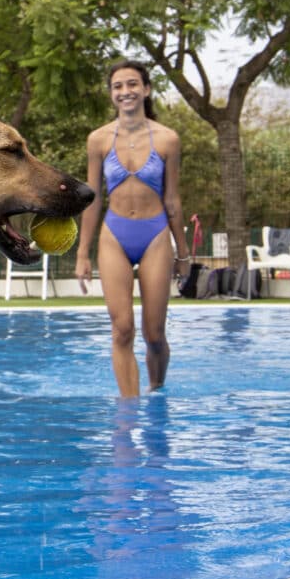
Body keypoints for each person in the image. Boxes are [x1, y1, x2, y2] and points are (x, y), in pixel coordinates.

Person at [74, 60, 191, 398]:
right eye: (118, 86)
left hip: (155, 235)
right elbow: (93, 200)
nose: (125, 92)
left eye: (132, 84)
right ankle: (129, 408)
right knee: (122, 329)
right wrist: (83, 253)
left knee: (154, 333)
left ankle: (157, 390)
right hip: (115, 236)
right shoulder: (98, 140)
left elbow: (172, 201)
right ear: (112, 94)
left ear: (146, 89)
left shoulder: (167, 140)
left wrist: (183, 253)